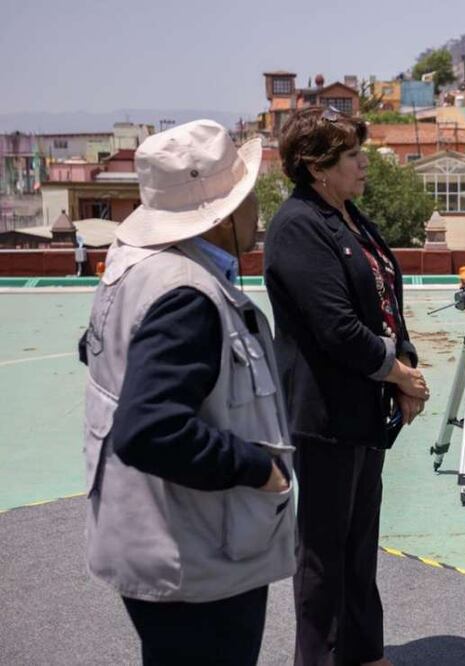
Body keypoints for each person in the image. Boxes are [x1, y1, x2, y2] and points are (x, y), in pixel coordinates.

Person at [79, 120, 294, 666]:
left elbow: (98, 352)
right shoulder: (187, 294)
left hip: (156, 541)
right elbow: (150, 429)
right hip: (198, 559)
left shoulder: (135, 268)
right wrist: (257, 468)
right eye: (247, 199)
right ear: (219, 217)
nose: (256, 214)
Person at [263, 106, 428, 666]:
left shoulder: (348, 215)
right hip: (326, 415)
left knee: (359, 544)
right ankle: (319, 657)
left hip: (362, 409)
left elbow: (386, 296)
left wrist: (403, 362)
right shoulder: (297, 226)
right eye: (353, 157)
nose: (364, 166)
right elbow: (337, 328)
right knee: (324, 554)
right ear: (317, 167)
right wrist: (398, 372)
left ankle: (363, 651)